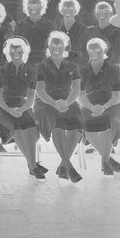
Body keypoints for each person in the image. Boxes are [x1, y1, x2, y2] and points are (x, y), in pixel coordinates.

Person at [34, 31, 84, 183]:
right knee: (58, 125)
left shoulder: (73, 66)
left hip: (67, 101)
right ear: (48, 47)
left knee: (76, 125)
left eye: (60, 46)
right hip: (45, 103)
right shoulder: (40, 66)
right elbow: (40, 91)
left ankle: (63, 165)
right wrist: (55, 103)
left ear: (65, 47)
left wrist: (66, 103)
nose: (56, 49)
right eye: (53, 46)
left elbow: (76, 90)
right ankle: (69, 166)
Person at [0, 36, 47, 180]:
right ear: (8, 52)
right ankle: (33, 166)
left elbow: (31, 98)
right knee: (17, 126)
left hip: (23, 106)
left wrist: (23, 109)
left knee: (30, 127)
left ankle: (32, 166)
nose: (16, 53)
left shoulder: (31, 71)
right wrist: (9, 110)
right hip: (4, 107)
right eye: (13, 50)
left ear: (24, 51)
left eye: (19, 50)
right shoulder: (1, 70)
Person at [78, 37, 120, 175]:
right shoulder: (82, 71)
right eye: (91, 50)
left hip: (111, 105)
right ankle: (108, 160)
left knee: (108, 121)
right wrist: (92, 107)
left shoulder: (114, 69)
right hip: (89, 105)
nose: (94, 52)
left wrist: (103, 107)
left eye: (97, 49)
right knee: (83, 121)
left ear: (104, 51)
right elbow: (81, 96)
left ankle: (104, 161)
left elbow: (117, 96)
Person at [82, 1, 120, 128]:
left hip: (111, 75)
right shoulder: (88, 32)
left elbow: (116, 59)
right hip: (90, 74)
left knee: (114, 114)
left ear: (112, 13)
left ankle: (114, 135)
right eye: (99, 10)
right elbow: (83, 55)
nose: (102, 13)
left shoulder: (119, 33)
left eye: (106, 11)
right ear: (95, 13)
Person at [14, 0, 55, 66]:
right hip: (25, 63)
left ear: (42, 7)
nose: (34, 8)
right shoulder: (19, 26)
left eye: (37, 5)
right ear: (26, 7)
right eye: (30, 6)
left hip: (45, 63)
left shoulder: (50, 26)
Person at [54, 0, 87, 68]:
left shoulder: (84, 29)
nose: (68, 10)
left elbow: (85, 53)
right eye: (65, 8)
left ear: (75, 11)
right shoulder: (56, 29)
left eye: (71, 8)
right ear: (61, 10)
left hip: (78, 66)